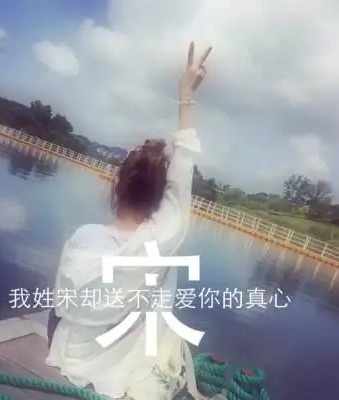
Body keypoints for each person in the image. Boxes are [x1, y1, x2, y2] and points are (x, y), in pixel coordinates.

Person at [46, 42, 212, 400]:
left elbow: (61, 306)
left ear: (118, 184)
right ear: (159, 197)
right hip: (122, 367)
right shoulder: (161, 238)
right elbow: (183, 172)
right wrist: (186, 94)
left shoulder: (83, 238)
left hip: (71, 356)